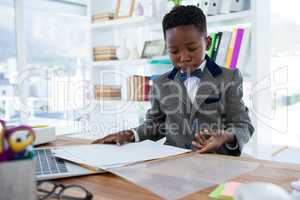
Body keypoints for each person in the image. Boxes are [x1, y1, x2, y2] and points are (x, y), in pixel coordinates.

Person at [92, 5, 254, 156]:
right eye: (174, 51)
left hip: (216, 161)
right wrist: (130, 134)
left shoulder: (229, 77)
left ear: (208, 42)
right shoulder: (160, 83)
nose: (184, 57)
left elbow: (243, 125)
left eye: (192, 48)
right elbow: (156, 125)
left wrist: (227, 136)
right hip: (172, 163)